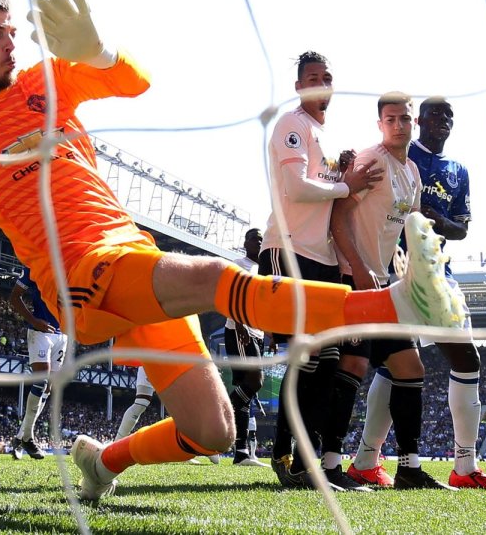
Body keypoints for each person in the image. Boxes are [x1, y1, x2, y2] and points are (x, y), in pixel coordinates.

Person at [0, 0, 462, 501]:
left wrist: (96, 51)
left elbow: (134, 81)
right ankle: (393, 299)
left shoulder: (48, 81)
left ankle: (106, 460)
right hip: (80, 274)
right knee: (217, 276)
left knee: (212, 430)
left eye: (12, 31)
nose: (11, 41)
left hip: (132, 253)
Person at [258, 50, 380, 491]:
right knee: (310, 360)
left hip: (323, 259)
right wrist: (349, 183)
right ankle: (289, 456)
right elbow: (295, 186)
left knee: (324, 362)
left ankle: (303, 459)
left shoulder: (321, 135)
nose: (320, 83)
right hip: (290, 253)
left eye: (326, 77)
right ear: (299, 86)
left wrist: (339, 169)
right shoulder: (291, 125)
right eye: (312, 76)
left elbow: (322, 185)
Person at [328, 92, 454, 490]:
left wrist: (413, 277)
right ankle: (331, 464)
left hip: (385, 285)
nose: (398, 125)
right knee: (352, 365)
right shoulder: (371, 161)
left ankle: (410, 468)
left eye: (404, 119)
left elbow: (407, 231)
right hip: (354, 279)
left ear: (412, 123)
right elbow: (339, 216)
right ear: (380, 123)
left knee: (409, 368)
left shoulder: (413, 173)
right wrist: (359, 271)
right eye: (390, 119)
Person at [389, 95, 486, 490]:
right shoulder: (400, 157)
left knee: (466, 356)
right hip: (396, 267)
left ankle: (465, 466)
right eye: (435, 113)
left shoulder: (457, 171)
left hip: (439, 273)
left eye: (449, 115)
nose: (443, 119)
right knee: (392, 364)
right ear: (420, 121)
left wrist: (435, 217)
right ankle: (364, 459)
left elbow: (461, 229)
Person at [9, 264, 64, 460]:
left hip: (62, 335)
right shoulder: (34, 266)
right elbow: (14, 297)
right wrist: (33, 321)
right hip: (40, 332)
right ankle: (28, 438)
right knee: (40, 381)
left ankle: (21, 437)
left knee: (48, 388)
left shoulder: (75, 267)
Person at [115, 366, 218, 465]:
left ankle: (191, 450)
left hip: (162, 361)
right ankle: (115, 446)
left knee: (144, 403)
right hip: (156, 361)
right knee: (142, 403)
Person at [226, 228, 267, 467]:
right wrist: (239, 323)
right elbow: (230, 295)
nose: (259, 243)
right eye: (255, 239)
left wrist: (268, 333)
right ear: (245, 243)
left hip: (258, 332)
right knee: (255, 382)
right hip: (240, 330)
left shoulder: (264, 269)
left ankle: (241, 453)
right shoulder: (239, 264)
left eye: (262, 240)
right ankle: (224, 406)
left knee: (246, 392)